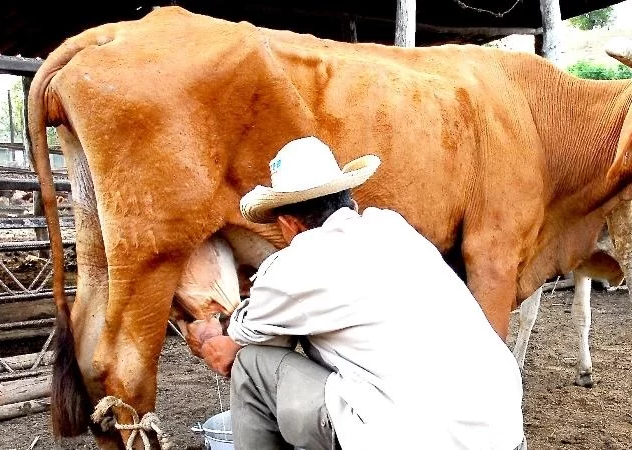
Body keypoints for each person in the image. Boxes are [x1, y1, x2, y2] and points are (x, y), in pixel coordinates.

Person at [186, 136, 526, 450]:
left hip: (417, 440)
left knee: (250, 365)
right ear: (348, 198)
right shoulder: (393, 227)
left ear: (289, 224)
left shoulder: (296, 265)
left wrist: (219, 335)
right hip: (503, 432)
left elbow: (247, 336)